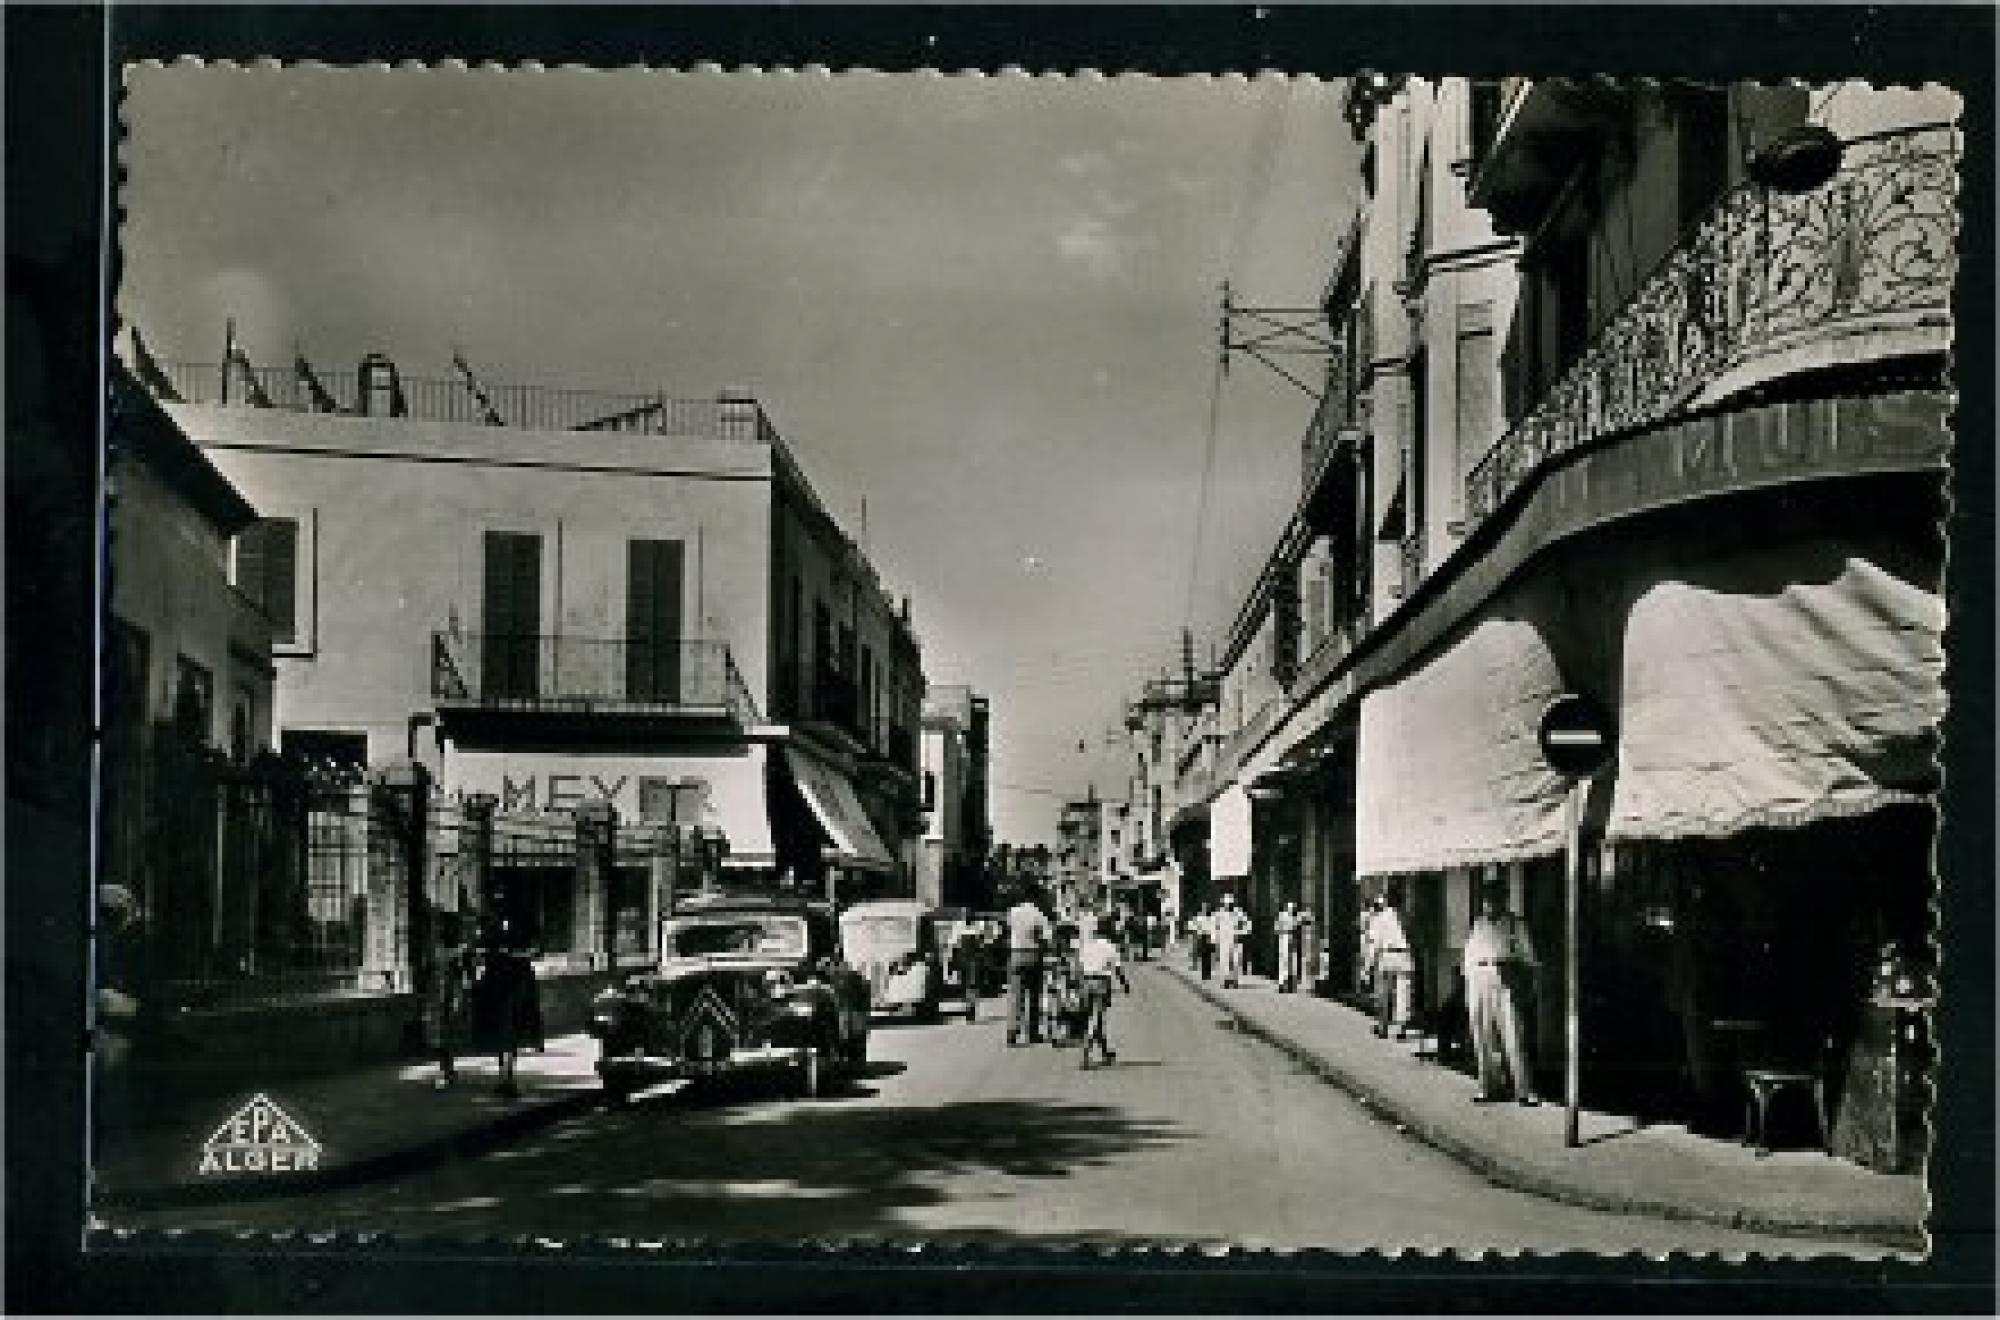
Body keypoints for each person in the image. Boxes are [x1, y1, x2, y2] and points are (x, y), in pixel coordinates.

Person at [1462, 882, 1541, 1105]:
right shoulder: (1478, 924)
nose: (1490, 904)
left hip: (1505, 980)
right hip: (1479, 979)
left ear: (1504, 900)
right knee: (1483, 1035)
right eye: (1487, 899)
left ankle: (1524, 1090)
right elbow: (1468, 956)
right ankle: (1489, 1087)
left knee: (1513, 1034)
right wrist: (1469, 982)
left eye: (1495, 898)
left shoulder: (1515, 924)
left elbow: (1529, 958)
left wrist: (1519, 970)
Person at [425, 912, 476, 1089]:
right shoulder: (439, 949)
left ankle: (446, 1071)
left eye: (440, 927)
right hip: (437, 995)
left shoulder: (456, 953)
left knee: (445, 1036)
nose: (437, 930)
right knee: (438, 1037)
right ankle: (446, 1070)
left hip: (448, 994)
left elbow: (465, 976)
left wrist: (458, 996)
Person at [1077, 915, 1134, 1069]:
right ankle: (1086, 1052)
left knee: (1090, 1017)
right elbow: (1117, 968)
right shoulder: (1110, 947)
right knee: (1097, 1018)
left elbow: (1079, 966)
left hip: (1085, 982)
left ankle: (1104, 1051)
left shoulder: (1086, 946)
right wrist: (1124, 984)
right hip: (1101, 983)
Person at [1365, 886, 1418, 1040]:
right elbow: (1413, 937)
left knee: (1384, 992)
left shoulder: (1380, 918)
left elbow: (1375, 942)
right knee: (1403, 993)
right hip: (1404, 955)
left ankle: (1383, 1027)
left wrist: (1369, 964)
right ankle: (1401, 1029)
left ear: (1387, 900)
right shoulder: (1406, 916)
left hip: (1387, 955)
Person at [1004, 887, 1053, 1046]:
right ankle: (1032, 1032)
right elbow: (1047, 937)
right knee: (1034, 995)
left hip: (1016, 955)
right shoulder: (1038, 914)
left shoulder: (1013, 912)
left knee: (1015, 995)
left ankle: (1012, 1031)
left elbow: (1008, 929)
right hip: (1033, 955)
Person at [1212, 892, 1251, 988]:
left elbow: (1248, 923)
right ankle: (1225, 980)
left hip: (1236, 939)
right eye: (1226, 903)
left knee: (1236, 961)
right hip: (1224, 939)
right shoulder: (1219, 913)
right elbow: (1214, 927)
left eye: (1230, 904)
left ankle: (1235, 980)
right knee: (1224, 960)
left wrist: (1242, 932)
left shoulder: (1238, 912)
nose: (1228, 905)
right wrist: (1215, 940)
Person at [1275, 901, 1303, 993]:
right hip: (1285, 939)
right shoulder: (1284, 916)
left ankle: (1289, 985)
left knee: (1290, 964)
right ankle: (1283, 984)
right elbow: (1277, 928)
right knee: (1285, 963)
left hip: (1289, 940)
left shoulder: (1294, 917)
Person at [1188, 903, 1216, 981]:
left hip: (1204, 937)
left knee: (1205, 956)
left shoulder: (1204, 918)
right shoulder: (1211, 918)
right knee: (1207, 956)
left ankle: (1205, 974)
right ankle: (1206, 974)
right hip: (1206, 937)